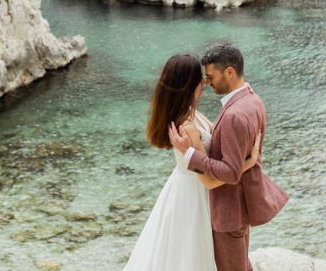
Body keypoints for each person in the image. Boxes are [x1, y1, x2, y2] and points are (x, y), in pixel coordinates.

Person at [124, 53, 261, 271]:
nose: (205, 82)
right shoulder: (186, 126)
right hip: (194, 193)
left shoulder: (189, 112)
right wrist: (250, 161)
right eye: (200, 78)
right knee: (190, 254)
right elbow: (208, 180)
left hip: (187, 187)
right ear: (189, 84)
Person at [169, 44, 289, 271]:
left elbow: (231, 173)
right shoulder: (253, 100)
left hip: (230, 209)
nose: (207, 82)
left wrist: (190, 154)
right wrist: (250, 162)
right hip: (241, 205)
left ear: (230, 72)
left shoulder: (234, 114)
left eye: (211, 76)